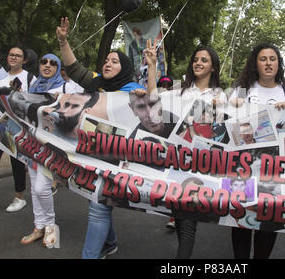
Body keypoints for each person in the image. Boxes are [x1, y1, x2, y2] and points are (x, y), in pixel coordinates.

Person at [57, 17, 148, 259]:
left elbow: (152, 113)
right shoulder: (97, 83)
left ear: (125, 68)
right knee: (95, 201)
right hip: (90, 153)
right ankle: (110, 243)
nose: (108, 63)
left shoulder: (132, 90)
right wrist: (63, 41)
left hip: (116, 159)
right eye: (106, 60)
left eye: (114, 61)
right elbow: (75, 69)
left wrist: (143, 94)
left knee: (98, 207)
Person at [228, 43, 285, 259]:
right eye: (263, 59)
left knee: (268, 223)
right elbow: (228, 125)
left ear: (279, 64)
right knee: (241, 219)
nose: (268, 63)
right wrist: (235, 107)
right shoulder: (241, 91)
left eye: (272, 59)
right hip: (245, 167)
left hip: (276, 171)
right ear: (255, 64)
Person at [148, 45, 226, 257]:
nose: (198, 63)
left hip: (200, 167)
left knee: (188, 223)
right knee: (181, 218)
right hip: (175, 164)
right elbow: (153, 98)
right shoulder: (179, 89)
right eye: (196, 59)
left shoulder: (220, 96)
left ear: (213, 68)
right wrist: (153, 66)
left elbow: (220, 134)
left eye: (204, 60)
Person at [20, 53, 76, 249]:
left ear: (58, 67)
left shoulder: (66, 87)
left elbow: (82, 107)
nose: (47, 65)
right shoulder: (33, 87)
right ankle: (39, 226)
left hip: (53, 146)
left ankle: (51, 225)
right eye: (44, 61)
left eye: (53, 63)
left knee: (41, 188)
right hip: (31, 142)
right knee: (34, 187)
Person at [0, 45, 36, 212]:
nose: (13, 57)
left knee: (17, 163)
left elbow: (36, 100)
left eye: (18, 55)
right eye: (11, 54)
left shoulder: (30, 78)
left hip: (18, 128)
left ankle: (19, 197)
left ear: (24, 60)